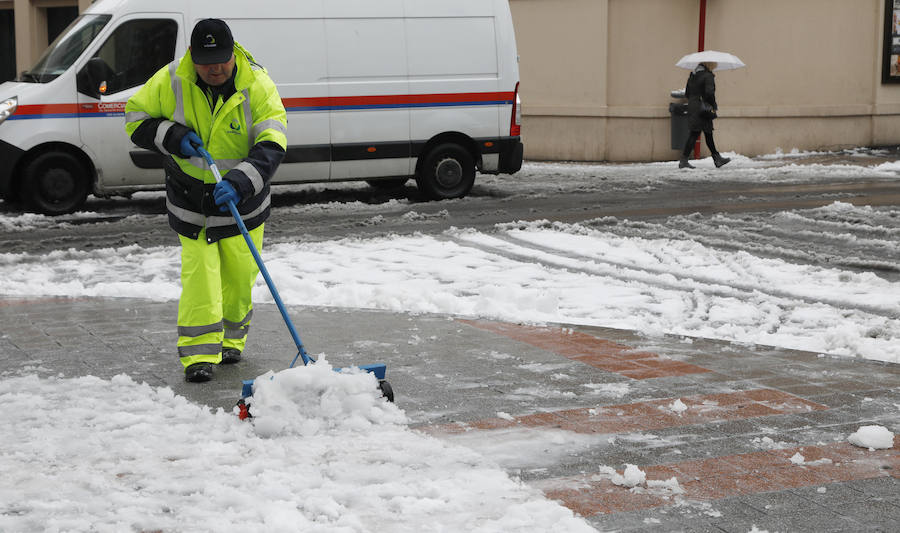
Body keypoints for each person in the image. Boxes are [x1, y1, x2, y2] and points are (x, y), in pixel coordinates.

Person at [124, 19, 287, 382]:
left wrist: (242, 181)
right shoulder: (171, 80)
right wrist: (174, 135)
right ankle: (199, 355)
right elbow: (135, 117)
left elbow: (273, 142)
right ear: (193, 57)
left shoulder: (257, 85)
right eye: (205, 60)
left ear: (233, 54)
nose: (214, 68)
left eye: (221, 60)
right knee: (200, 276)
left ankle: (231, 341)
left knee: (239, 276)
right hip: (191, 199)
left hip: (241, 203)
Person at [679, 61, 730, 169]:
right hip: (703, 108)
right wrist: (712, 105)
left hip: (693, 107)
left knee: (707, 132)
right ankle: (684, 161)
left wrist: (695, 99)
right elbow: (709, 93)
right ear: (709, 64)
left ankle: (717, 158)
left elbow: (687, 93)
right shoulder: (708, 76)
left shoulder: (692, 75)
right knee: (696, 133)